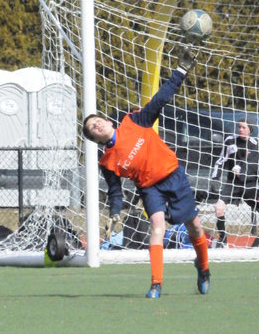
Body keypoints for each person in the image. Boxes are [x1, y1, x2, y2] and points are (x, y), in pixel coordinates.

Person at [83, 47, 211, 299]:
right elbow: (115, 192)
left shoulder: (134, 122)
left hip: (173, 175)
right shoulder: (107, 162)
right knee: (156, 226)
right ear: (96, 139)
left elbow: (160, 99)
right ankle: (156, 284)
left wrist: (181, 71)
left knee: (194, 226)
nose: (96, 125)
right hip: (150, 188)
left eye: (97, 120)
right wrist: (114, 213)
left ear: (108, 121)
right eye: (91, 128)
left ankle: (204, 268)